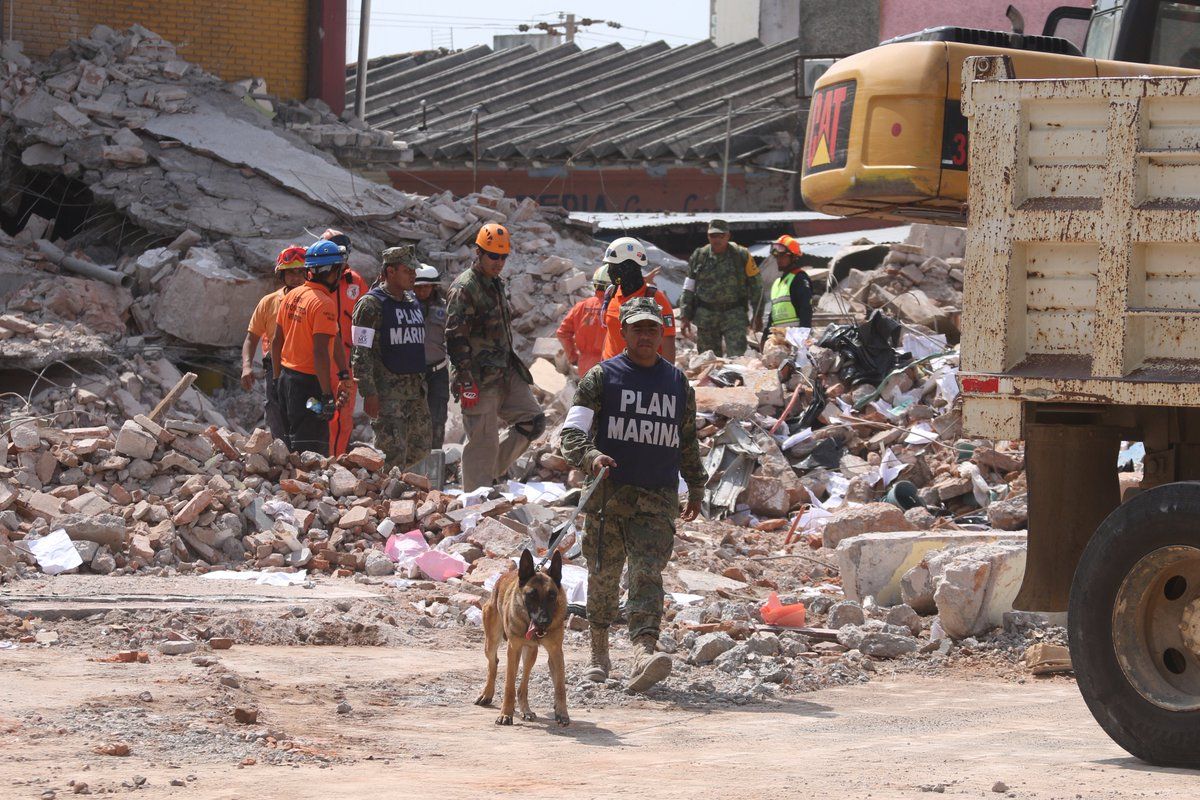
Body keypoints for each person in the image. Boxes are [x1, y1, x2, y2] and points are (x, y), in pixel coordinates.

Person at [560, 297, 706, 693]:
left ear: (661, 333)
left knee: (646, 573)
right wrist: (591, 456)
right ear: (622, 331)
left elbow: (687, 440)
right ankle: (599, 653)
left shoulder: (677, 383)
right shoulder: (601, 378)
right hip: (608, 497)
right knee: (603, 575)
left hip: (657, 498)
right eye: (637, 328)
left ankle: (644, 651)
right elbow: (571, 433)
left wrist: (695, 485)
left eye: (652, 328)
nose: (645, 335)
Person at [445, 222, 544, 491]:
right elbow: (455, 337)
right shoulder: (465, 288)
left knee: (533, 421)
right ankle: (476, 493)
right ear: (478, 252)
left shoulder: (495, 284)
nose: (499, 262)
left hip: (504, 370)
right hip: (477, 376)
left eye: (503, 257)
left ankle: (485, 473)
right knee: (482, 441)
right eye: (493, 256)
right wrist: (466, 380)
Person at [350, 246, 431, 471]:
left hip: (415, 392)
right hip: (388, 394)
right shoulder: (370, 305)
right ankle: (383, 491)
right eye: (407, 270)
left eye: (414, 270)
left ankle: (396, 485)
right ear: (390, 272)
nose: (413, 275)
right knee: (391, 455)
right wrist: (369, 392)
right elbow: (360, 352)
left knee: (420, 448)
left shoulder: (412, 301)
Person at [271, 240, 352, 455]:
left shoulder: (292, 295)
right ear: (332, 271)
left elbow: (276, 341)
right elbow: (320, 352)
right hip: (308, 388)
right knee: (311, 450)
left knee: (291, 445)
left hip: (286, 381)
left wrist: (276, 379)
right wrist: (326, 395)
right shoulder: (324, 303)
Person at [241, 246, 307, 441]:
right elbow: (251, 337)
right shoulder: (269, 302)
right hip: (276, 366)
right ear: (282, 275)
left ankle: (305, 451)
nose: (296, 278)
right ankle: (280, 449)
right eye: (291, 272)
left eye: (301, 272)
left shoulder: (314, 301)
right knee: (275, 409)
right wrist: (246, 366)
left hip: (305, 367)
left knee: (307, 410)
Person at [679, 218, 762, 357]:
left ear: (728, 236)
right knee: (708, 360)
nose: (717, 239)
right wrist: (684, 316)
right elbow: (688, 288)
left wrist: (757, 315)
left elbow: (756, 286)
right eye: (713, 236)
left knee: (737, 359)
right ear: (708, 236)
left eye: (721, 236)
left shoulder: (741, 255)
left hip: (734, 315)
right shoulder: (699, 256)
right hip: (706, 316)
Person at [320, 229, 370, 458]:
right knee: (320, 410)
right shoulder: (317, 280)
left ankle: (337, 460)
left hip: (347, 361)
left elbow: (366, 321)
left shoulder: (356, 282)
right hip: (320, 358)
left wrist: (364, 356)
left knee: (344, 415)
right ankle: (318, 458)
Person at [597, 237, 676, 363]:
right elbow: (610, 337)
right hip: (611, 371)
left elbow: (668, 343)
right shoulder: (612, 294)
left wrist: (666, 375)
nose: (609, 272)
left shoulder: (656, 299)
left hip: (642, 372)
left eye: (613, 266)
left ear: (630, 267)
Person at [414, 263, 449, 450]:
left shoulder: (445, 308)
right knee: (412, 421)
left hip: (438, 372)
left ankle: (434, 459)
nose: (422, 291)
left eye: (426, 287)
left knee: (437, 419)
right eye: (418, 287)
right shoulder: (404, 307)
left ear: (434, 286)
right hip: (412, 373)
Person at [556, 265, 610, 377]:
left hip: (585, 367)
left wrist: (573, 358)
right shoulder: (617, 308)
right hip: (610, 367)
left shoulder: (581, 306)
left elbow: (562, 333)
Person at [761, 234, 812, 342]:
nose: (779, 260)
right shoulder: (777, 283)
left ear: (793, 257)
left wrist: (802, 339)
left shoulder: (799, 279)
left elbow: (805, 309)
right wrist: (765, 336)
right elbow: (773, 314)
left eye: (783, 256)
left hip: (795, 338)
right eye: (777, 256)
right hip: (779, 339)